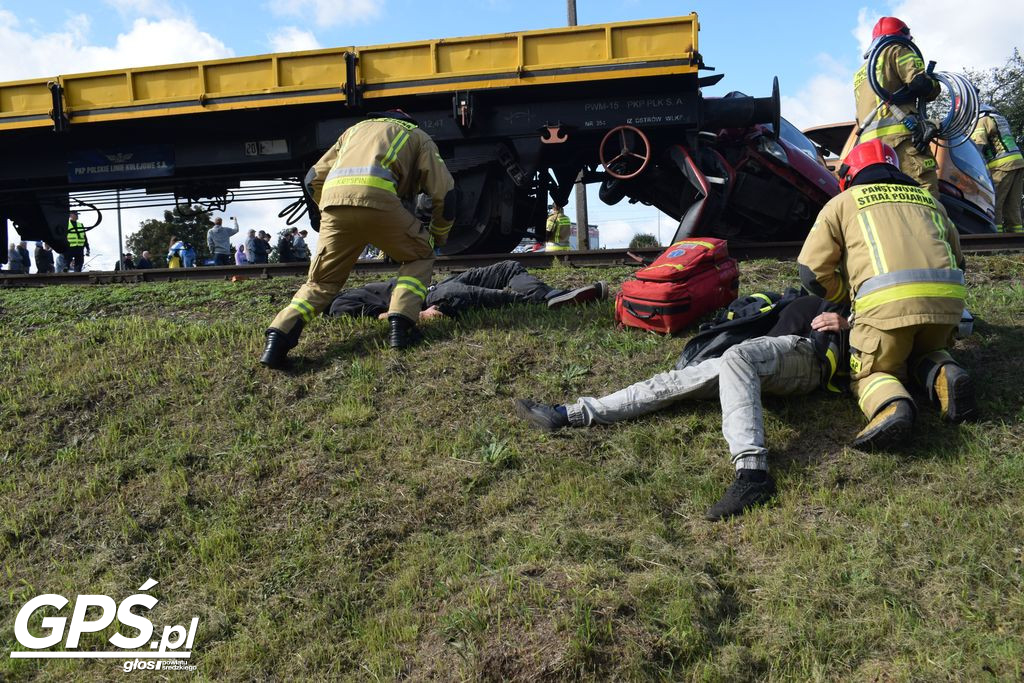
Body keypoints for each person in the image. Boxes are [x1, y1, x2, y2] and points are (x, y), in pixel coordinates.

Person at [515, 294, 849, 520]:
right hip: (750, 359)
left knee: (738, 356)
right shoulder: (788, 296)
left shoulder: (850, 292)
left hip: (804, 354)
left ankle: (753, 476)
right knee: (670, 381)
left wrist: (850, 322)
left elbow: (887, 327)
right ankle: (567, 414)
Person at [797, 139, 975, 450]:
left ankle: (892, 406)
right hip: (946, 308)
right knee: (920, 352)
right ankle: (946, 371)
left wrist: (848, 297)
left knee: (874, 371)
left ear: (849, 176)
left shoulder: (843, 203)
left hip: (885, 312)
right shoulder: (929, 201)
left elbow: (811, 271)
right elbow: (958, 261)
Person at [260, 109, 455, 368]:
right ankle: (402, 326)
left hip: (333, 206)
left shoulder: (352, 132)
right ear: (408, 121)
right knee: (419, 256)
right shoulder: (417, 136)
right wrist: (439, 234)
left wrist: (329, 211)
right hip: (380, 201)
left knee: (321, 282)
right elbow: (445, 193)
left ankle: (277, 340)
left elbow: (312, 179)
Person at [328, 260, 607, 320]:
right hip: (433, 298)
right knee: (501, 299)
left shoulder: (347, 292)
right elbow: (379, 317)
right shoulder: (339, 306)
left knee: (508, 268)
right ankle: (544, 302)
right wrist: (423, 315)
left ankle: (550, 296)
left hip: (441, 285)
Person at [853, 16, 941, 197]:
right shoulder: (896, 48)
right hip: (902, 140)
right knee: (924, 194)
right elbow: (919, 84)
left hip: (872, 148)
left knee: (888, 199)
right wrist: (934, 84)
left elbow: (858, 115)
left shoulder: (861, 72)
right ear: (902, 35)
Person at [971, 104, 1024, 233]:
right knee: (1013, 205)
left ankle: (996, 239)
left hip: (1001, 166)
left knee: (995, 204)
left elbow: (979, 146)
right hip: (1018, 162)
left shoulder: (981, 121)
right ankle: (1017, 241)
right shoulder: (999, 118)